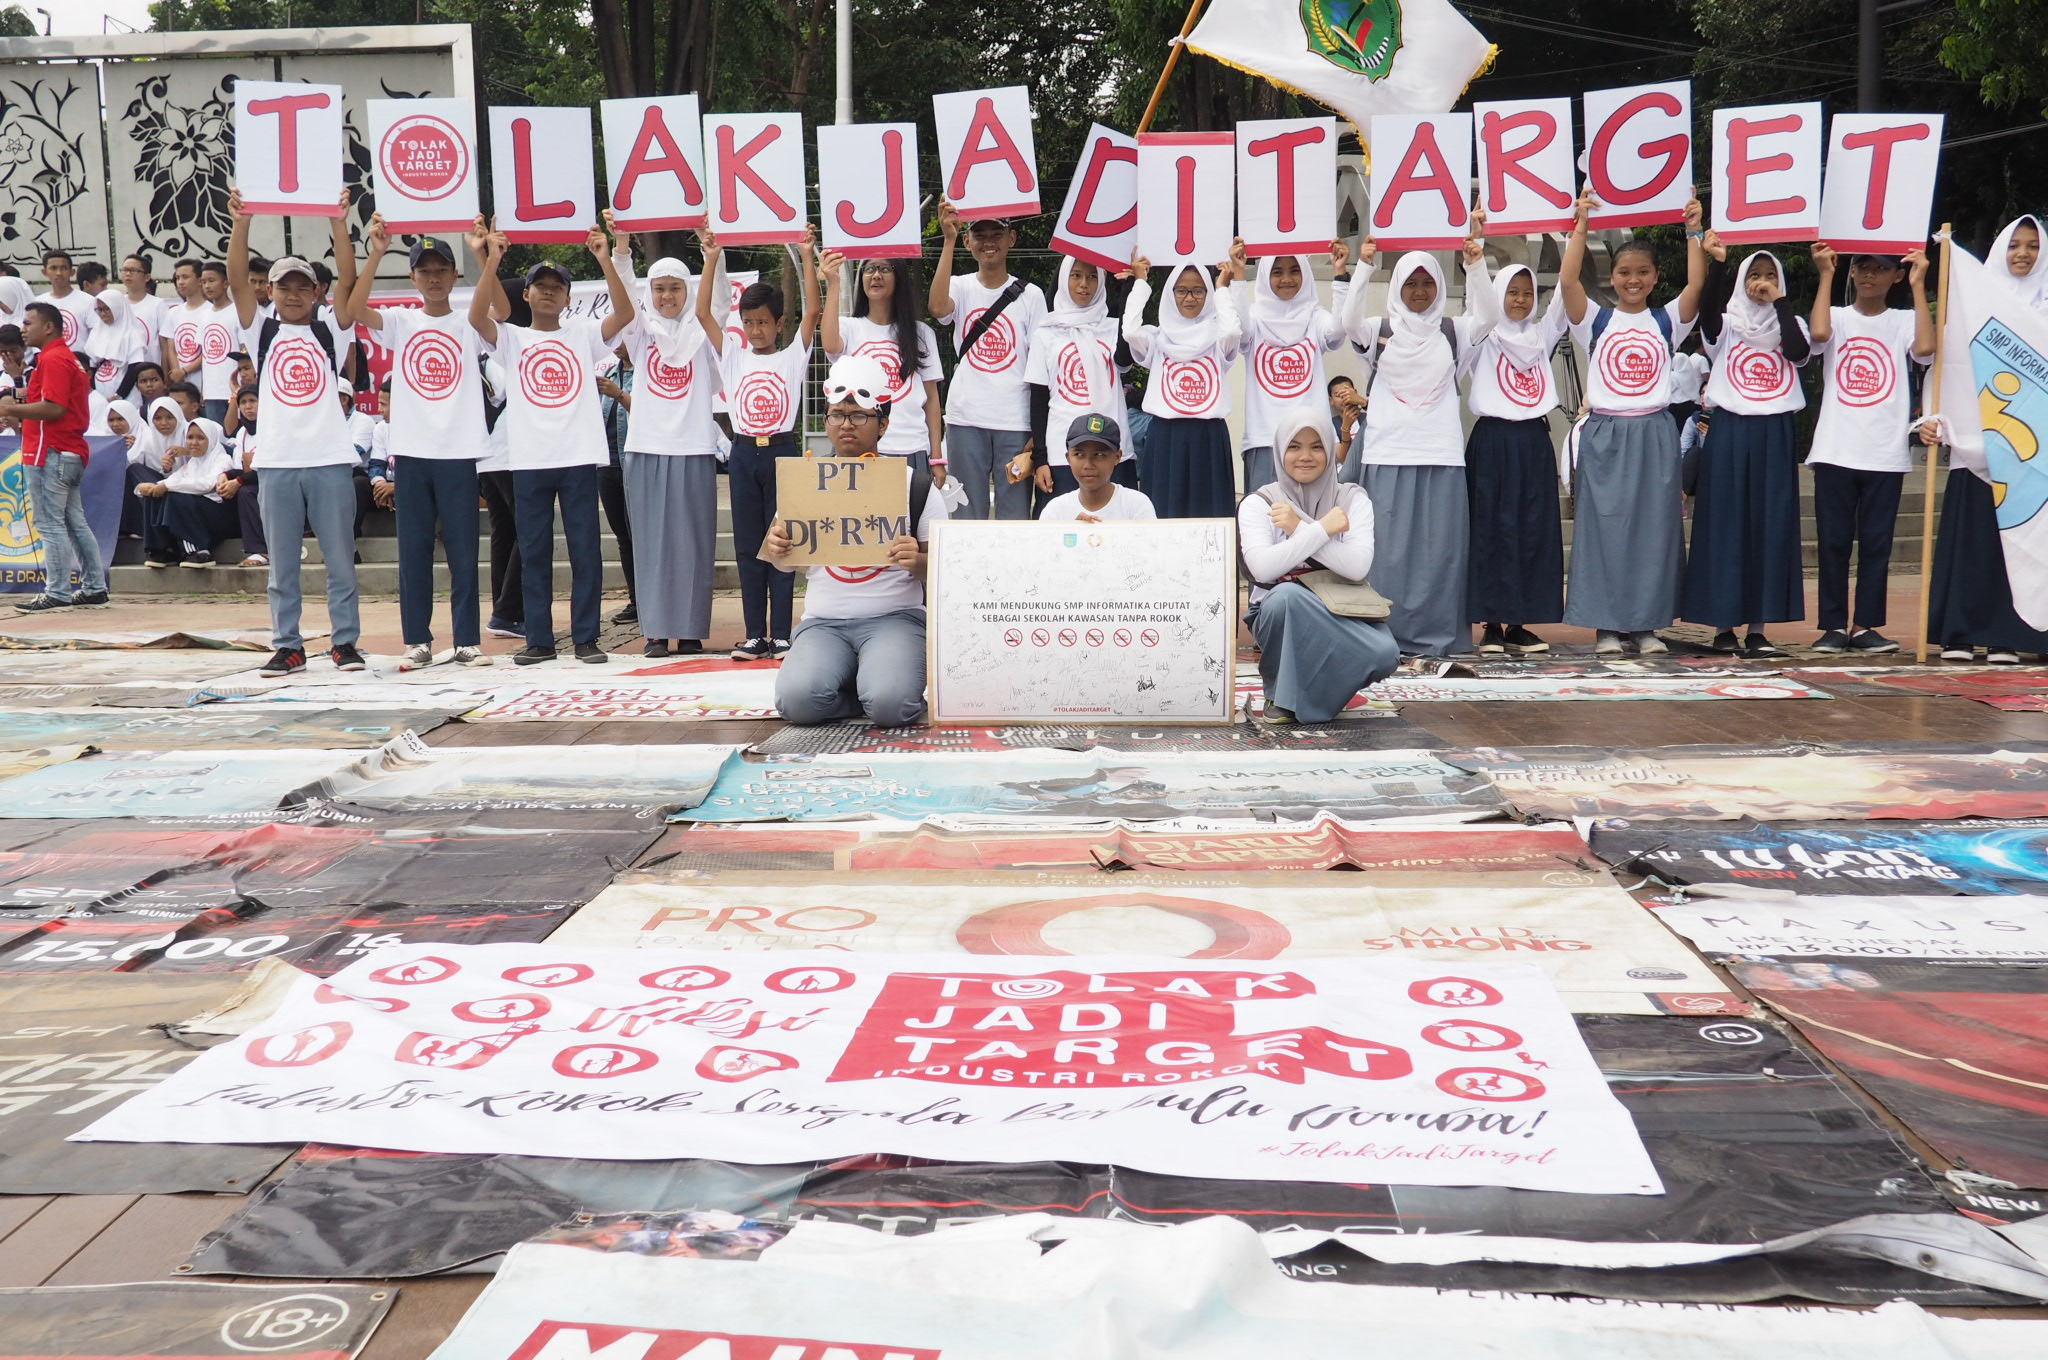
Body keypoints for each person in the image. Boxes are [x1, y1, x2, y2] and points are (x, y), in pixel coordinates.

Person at [469, 217, 636, 665]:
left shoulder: (581, 334)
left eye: (556, 286)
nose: (547, 291)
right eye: (538, 286)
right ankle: (540, 639)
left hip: (579, 455)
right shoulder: (513, 338)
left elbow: (624, 315)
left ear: (566, 296)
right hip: (528, 459)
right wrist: (490, 259)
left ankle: (586, 637)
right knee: (536, 551)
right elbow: (475, 316)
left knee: (585, 550)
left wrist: (605, 259)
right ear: (525, 295)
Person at [1558, 188, 1709, 656]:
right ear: (1613, 275)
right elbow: (1567, 284)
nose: (1633, 279)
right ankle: (1606, 625)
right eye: (1624, 272)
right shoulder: (1596, 322)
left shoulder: (1667, 321)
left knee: (1654, 529)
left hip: (1655, 432)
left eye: (1643, 272)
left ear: (1655, 276)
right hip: (1605, 432)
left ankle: (1645, 624)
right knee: (1603, 527)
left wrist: (1693, 232)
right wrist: (1580, 225)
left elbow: (1697, 285)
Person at [765, 353, 949, 726]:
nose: (846, 425)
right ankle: (854, 691)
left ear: (882, 424)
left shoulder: (915, 485)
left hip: (894, 618)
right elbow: (787, 562)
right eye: (837, 414)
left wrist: (919, 561)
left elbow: (948, 571)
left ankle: (875, 686)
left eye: (859, 415)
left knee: (891, 705)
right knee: (797, 701)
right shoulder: (804, 482)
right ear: (826, 421)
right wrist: (777, 549)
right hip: (824, 621)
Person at [1340, 222, 1498, 658]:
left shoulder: (1454, 331)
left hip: (1442, 458)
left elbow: (1489, 315)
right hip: (1387, 456)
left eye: (1428, 282)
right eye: (1410, 282)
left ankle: (1437, 638)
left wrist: (1476, 264)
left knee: (1440, 556)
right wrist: (1364, 268)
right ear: (1397, 286)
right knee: (1387, 555)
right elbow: (1348, 320)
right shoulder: (1379, 329)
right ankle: (1382, 637)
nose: (1420, 290)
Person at [227, 185, 366, 677]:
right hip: (278, 461)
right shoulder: (260, 330)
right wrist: (241, 220)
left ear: (315, 294)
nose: (290, 294)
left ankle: (345, 643)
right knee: (282, 566)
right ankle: (288, 646)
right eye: (282, 286)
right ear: (272, 291)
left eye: (301, 287)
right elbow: (235, 280)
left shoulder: (331, 328)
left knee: (340, 563)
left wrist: (337, 219)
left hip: (329, 459)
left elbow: (349, 278)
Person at [341, 218, 489, 667]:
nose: (434, 278)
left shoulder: (470, 324)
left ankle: (466, 639)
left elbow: (499, 309)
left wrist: (485, 254)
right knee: (415, 550)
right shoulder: (401, 321)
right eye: (425, 271)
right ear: (413, 278)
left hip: (459, 450)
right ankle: (418, 639)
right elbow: (351, 306)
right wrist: (376, 253)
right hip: (412, 450)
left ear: (454, 274)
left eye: (442, 269)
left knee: (463, 550)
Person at [610, 223, 744, 658]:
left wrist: (713, 257)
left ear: (688, 292)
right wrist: (623, 249)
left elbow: (719, 302)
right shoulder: (640, 330)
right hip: (646, 448)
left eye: (676, 289)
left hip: (693, 448)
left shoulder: (701, 333)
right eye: (660, 289)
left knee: (693, 543)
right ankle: (654, 631)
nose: (667, 297)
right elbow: (625, 294)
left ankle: (688, 630)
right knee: (651, 544)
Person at [1681, 246, 1813, 657]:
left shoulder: (1791, 323)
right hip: (1731, 430)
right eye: (1753, 273)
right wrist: (1719, 263)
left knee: (1769, 526)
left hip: (1774, 432)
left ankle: (1758, 627)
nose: (1760, 281)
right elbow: (1706, 315)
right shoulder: (1727, 326)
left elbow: (1796, 351)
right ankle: (1723, 625)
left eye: (1768, 274)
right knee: (1725, 525)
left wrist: (1779, 301)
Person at [1928, 214, 2048, 664]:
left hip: (2030, 451)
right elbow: (1951, 366)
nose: (2022, 253)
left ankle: (2008, 636)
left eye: (2032, 246)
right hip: (1977, 441)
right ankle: (1959, 632)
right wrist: (1937, 417)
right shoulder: (1973, 302)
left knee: (2018, 543)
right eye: (2014, 244)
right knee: (1973, 543)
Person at [699, 226, 820, 661]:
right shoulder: (733, 355)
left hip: (783, 452)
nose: (755, 330)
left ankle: (783, 633)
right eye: (749, 323)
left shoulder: (792, 356)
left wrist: (806, 256)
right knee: (750, 543)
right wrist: (712, 256)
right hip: (744, 451)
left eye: (763, 322)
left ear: (778, 323)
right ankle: (755, 633)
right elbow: (703, 315)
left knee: (783, 544)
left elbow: (813, 314)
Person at [1805, 246, 1933, 654]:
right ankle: (1832, 626)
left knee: (1877, 543)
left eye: (1880, 270)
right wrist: (1826, 274)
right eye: (1863, 268)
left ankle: (1864, 626)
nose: (1870, 276)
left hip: (1884, 450)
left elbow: (1926, 350)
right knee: (1834, 541)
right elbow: (1819, 335)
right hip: (1836, 448)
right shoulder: (1839, 317)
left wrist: (1919, 285)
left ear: (1895, 276)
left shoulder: (1903, 321)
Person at [1238, 407, 1398, 723]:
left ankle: (1328, 692)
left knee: (1385, 653)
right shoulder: (1261, 502)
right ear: (1280, 451)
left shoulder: (1352, 499)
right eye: (1294, 446)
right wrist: (1321, 528)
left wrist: (1300, 526)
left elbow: (1356, 567)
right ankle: (1278, 698)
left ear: (1330, 448)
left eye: (1317, 446)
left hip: (1340, 609)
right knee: (1287, 597)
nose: (1305, 456)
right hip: (1275, 613)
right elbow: (1262, 569)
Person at [1463, 262, 1569, 654]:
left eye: (1528, 292)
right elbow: (1479, 305)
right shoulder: (1484, 335)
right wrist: (1474, 262)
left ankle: (1518, 624)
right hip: (1492, 441)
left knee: (1530, 531)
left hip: (1532, 442)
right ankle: (1491, 623)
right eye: (1512, 291)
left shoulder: (1542, 335)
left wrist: (1576, 231)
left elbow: (1564, 293)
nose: (1521, 299)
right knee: (1489, 529)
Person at [929, 204, 1045, 518]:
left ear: (1012, 238)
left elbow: (1041, 363)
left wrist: (1039, 427)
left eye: (997, 233)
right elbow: (938, 309)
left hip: (1015, 421)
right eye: (979, 235)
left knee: (1015, 515)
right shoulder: (960, 285)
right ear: (969, 242)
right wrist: (948, 240)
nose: (988, 241)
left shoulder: (1031, 295)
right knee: (966, 514)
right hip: (966, 419)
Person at [0, 301, 106, 612]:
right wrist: (20, 391)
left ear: (48, 327)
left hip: (51, 451)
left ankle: (58, 591)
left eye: (29, 322)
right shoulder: (63, 358)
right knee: (74, 522)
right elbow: (47, 402)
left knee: (50, 524)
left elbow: (54, 408)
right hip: (66, 450)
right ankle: (94, 588)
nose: (23, 328)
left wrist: (10, 408)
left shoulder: (54, 360)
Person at [1122, 253, 1243, 518]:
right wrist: (1141, 283)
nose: (1190, 298)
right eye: (1182, 291)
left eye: (1199, 291)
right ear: (1171, 293)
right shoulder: (1157, 338)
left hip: (1208, 436)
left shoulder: (1218, 339)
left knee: (1210, 516)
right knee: (1166, 513)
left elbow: (1233, 331)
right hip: (1166, 436)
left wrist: (1222, 288)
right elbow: (1130, 331)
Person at [1235, 241, 1352, 493]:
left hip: (1313, 440)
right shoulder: (1254, 319)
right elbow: (1239, 331)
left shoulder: (1314, 316)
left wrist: (1340, 276)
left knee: (1316, 522)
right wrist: (1238, 277)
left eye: (1294, 270)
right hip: (1266, 439)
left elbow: (1338, 331)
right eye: (1277, 272)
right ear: (1265, 276)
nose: (1286, 279)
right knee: (1265, 522)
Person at [1025, 255, 1135, 509]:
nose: (1084, 284)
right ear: (1064, 279)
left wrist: (1130, 284)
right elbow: (1039, 401)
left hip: (1112, 449)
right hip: (1062, 453)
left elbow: (1124, 360)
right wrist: (1041, 459)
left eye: (1093, 276)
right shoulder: (1045, 333)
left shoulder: (1115, 327)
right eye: (1076, 275)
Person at [822, 255, 943, 469]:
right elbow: (830, 345)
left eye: (885, 269)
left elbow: (932, 399)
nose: (876, 275)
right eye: (869, 269)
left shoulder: (921, 333)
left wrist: (937, 458)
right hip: (862, 452)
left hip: (912, 448)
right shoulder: (848, 327)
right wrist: (833, 283)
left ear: (899, 278)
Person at [137, 416, 237, 566]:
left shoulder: (223, 459)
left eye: (201, 438)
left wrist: (167, 486)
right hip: (199, 515)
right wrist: (146, 488)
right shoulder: (192, 463)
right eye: (190, 437)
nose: (194, 443)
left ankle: (198, 551)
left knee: (176, 496)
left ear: (211, 438)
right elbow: (171, 481)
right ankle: (161, 550)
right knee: (154, 496)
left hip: (220, 518)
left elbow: (208, 485)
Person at [1037, 413, 1155, 522]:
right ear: (1068, 458)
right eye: (1079, 454)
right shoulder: (1055, 511)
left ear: (1117, 457)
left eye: (1099, 455)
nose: (1088, 465)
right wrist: (1073, 532)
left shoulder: (1136, 505)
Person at [477, 356, 521, 638]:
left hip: (486, 456)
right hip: (508, 453)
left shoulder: (478, 358)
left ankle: (503, 612)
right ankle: (509, 611)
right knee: (528, 530)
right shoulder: (497, 360)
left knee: (503, 533)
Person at [596, 350, 639, 626]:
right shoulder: (609, 372)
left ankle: (650, 599)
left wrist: (619, 394)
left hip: (633, 463)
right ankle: (636, 600)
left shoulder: (646, 373)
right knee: (623, 536)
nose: (617, 343)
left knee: (640, 535)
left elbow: (650, 414)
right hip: (607, 464)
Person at [220, 384, 268, 566]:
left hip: (279, 480)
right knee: (224, 490)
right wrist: (225, 476)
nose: (248, 407)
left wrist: (239, 481)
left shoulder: (274, 428)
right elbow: (241, 468)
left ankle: (260, 550)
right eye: (243, 402)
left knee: (245, 492)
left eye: (253, 401)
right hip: (254, 480)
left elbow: (268, 467)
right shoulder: (242, 433)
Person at [196, 262, 238, 422]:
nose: (207, 286)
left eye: (211, 281)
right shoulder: (204, 315)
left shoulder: (237, 311)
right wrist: (203, 389)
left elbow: (244, 349)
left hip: (234, 388)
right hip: (212, 390)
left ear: (226, 283)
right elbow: (204, 355)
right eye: (203, 282)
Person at [37, 250, 97, 352]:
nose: (59, 273)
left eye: (64, 268)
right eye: (53, 268)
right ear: (44, 272)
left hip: (80, 363)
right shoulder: (38, 303)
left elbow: (96, 336)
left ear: (72, 272)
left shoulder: (89, 301)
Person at [1329, 375, 1364, 464]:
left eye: (1347, 393)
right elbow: (1343, 459)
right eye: (1338, 395)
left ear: (1355, 393)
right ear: (1331, 400)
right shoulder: (1330, 425)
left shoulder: (1370, 418)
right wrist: (1345, 428)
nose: (1344, 398)